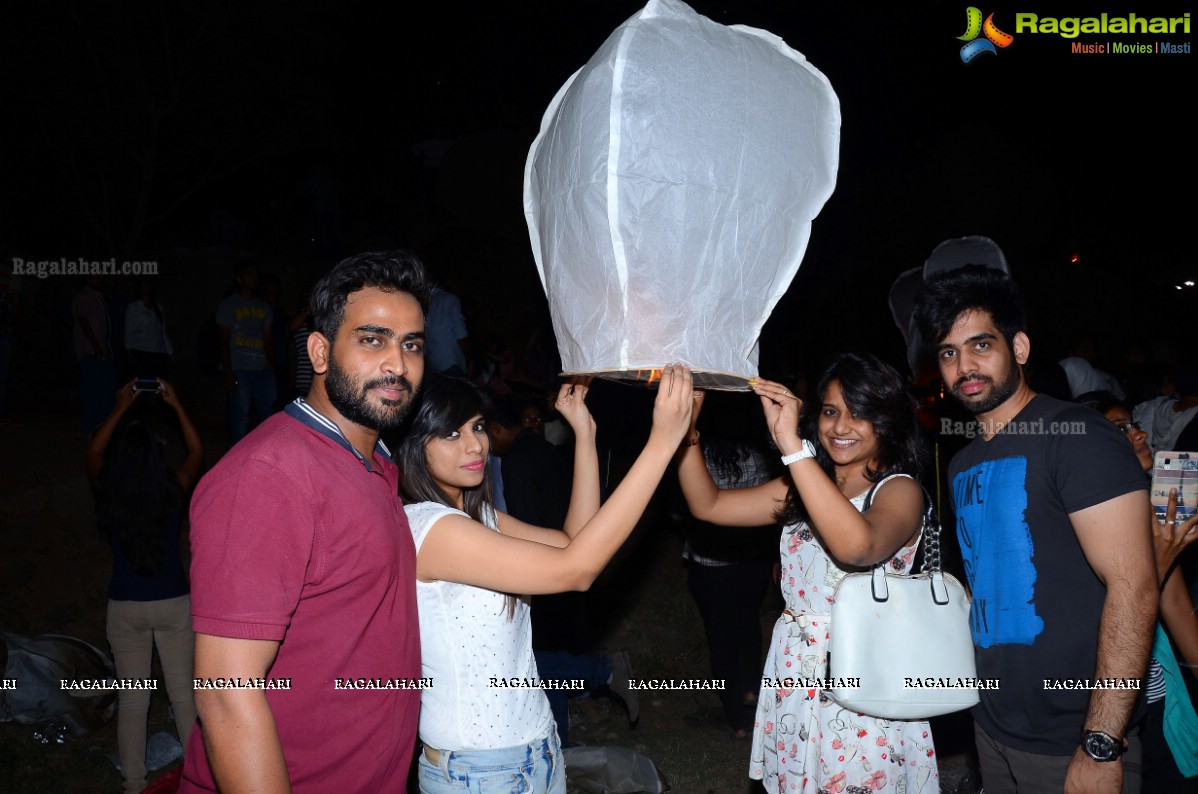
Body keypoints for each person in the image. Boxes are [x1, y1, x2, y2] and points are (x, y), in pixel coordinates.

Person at [181, 250, 432, 793]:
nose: (397, 364)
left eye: (411, 344)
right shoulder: (269, 476)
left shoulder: (375, 462)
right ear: (319, 350)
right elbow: (226, 690)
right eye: (372, 339)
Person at [914, 264, 1158, 794]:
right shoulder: (961, 464)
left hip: (1073, 735)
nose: (964, 366)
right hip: (993, 724)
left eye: (981, 344)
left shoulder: (1076, 438)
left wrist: (1101, 741)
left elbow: (1135, 589)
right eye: (949, 353)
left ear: (1019, 347)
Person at [397, 366, 693, 794]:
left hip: (537, 748)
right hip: (480, 770)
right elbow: (578, 568)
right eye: (450, 434)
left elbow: (571, 541)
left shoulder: (478, 516)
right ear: (413, 446)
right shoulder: (431, 529)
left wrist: (585, 434)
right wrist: (661, 445)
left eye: (477, 426)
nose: (474, 444)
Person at [676, 352, 937, 793]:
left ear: (887, 422)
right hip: (796, 665)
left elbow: (857, 545)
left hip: (860, 673)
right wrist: (686, 433)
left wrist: (793, 449)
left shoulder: (900, 489)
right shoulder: (804, 482)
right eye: (832, 411)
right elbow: (709, 505)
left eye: (860, 415)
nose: (840, 427)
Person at [88, 379, 202, 793]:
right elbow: (195, 452)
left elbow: (95, 452)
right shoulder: (172, 489)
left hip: (126, 607)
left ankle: (134, 784)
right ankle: (195, 780)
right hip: (174, 603)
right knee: (184, 697)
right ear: (157, 457)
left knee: (134, 701)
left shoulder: (112, 493)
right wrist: (176, 405)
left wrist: (119, 407)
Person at [1089, 393, 1198, 790]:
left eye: (1134, 425)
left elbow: (1177, 609)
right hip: (1110, 709)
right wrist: (1162, 557)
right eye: (1120, 429)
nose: (1138, 434)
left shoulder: (1155, 508)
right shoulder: (1081, 520)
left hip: (1161, 703)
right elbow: (1101, 614)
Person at [216, 260, 275, 443]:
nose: (255, 277)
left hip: (262, 369)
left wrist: (271, 370)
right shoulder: (228, 305)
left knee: (268, 417)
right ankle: (236, 460)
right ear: (239, 279)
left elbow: (268, 340)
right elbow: (224, 342)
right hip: (240, 369)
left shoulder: (263, 306)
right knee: (240, 419)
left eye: (256, 273)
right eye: (249, 273)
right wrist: (228, 373)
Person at [124, 278, 174, 379]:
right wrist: (128, 350)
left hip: (158, 352)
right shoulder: (134, 307)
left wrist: (170, 352)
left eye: (149, 285)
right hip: (142, 352)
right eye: (144, 285)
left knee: (158, 384)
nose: (147, 287)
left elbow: (162, 331)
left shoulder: (158, 308)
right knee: (144, 383)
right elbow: (128, 330)